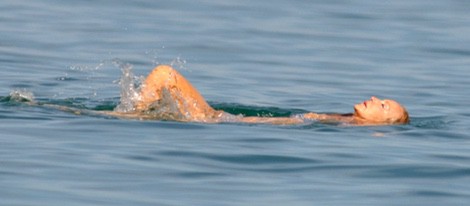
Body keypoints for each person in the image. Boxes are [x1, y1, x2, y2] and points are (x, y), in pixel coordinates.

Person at [123, 65, 409, 125]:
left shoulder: (347, 126)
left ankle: (131, 117)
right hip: (228, 120)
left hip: (224, 123)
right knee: (164, 76)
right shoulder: (342, 120)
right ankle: (135, 114)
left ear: (380, 125)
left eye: (383, 105)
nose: (374, 98)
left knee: (165, 74)